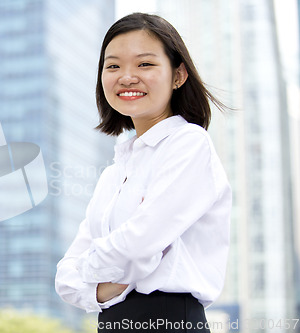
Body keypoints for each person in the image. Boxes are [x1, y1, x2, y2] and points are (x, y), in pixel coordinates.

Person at [55, 12, 232, 333]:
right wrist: (106, 277)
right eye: (113, 66)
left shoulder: (189, 144)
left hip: (169, 320)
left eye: (145, 64)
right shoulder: (114, 171)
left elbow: (139, 243)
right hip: (112, 322)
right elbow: (65, 280)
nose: (126, 76)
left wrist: (94, 269)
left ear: (179, 75)